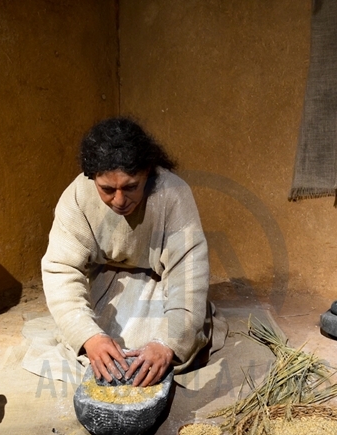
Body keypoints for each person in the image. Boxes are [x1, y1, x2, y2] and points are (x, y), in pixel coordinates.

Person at [41, 117, 216, 388]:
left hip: (161, 285)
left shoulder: (173, 194)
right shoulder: (77, 196)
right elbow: (60, 269)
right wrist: (89, 337)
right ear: (92, 179)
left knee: (154, 348)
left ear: (148, 172)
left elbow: (188, 273)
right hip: (105, 283)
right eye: (107, 189)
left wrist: (168, 343)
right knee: (96, 344)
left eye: (131, 186)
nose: (120, 200)